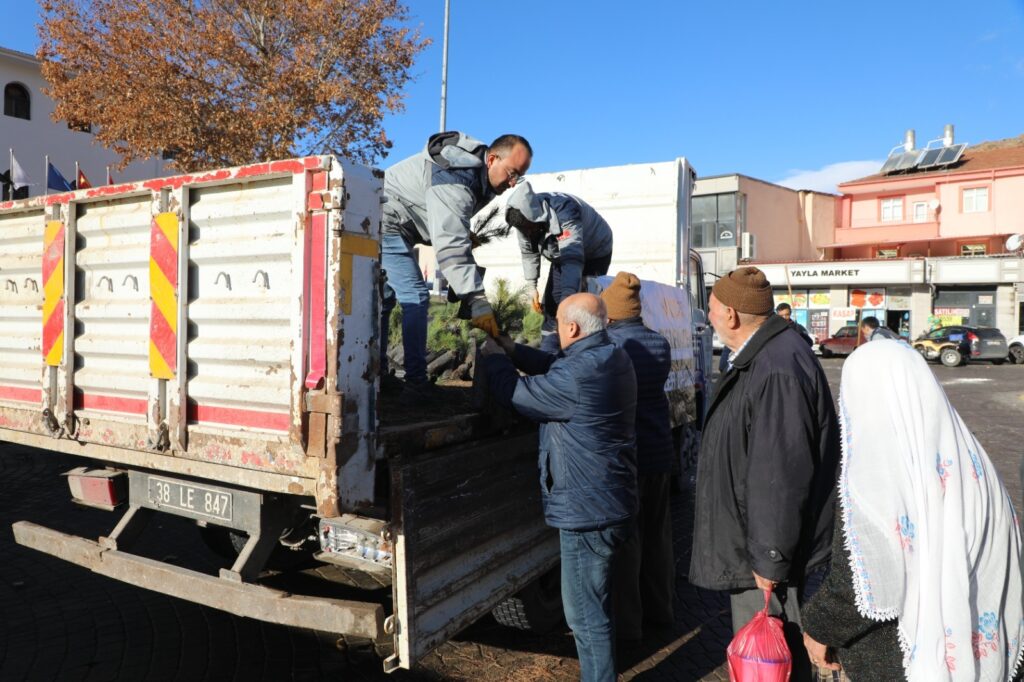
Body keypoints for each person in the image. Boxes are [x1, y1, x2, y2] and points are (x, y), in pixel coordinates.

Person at [801, 339, 1023, 681]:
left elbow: (862, 579)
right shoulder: (970, 459)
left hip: (896, 660)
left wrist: (818, 628)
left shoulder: (874, 476)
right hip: (975, 652)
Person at [689, 267, 840, 682]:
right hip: (760, 548)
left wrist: (771, 558)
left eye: (712, 306)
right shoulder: (766, 356)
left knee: (773, 662)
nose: (709, 314)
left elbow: (781, 473)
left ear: (732, 315)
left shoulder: (776, 367)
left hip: (769, 559)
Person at [480, 293, 637, 682]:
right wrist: (514, 350)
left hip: (588, 513)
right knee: (595, 606)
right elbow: (554, 365)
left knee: (584, 616)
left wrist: (493, 357)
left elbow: (517, 395)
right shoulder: (611, 356)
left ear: (572, 328)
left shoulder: (578, 375)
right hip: (608, 501)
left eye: (557, 324)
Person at [381, 132, 532, 400]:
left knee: (385, 299)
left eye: (518, 177)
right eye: (511, 173)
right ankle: (415, 383)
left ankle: (378, 376)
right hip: (385, 219)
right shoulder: (457, 174)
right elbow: (450, 247)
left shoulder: (478, 177)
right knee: (415, 295)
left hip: (398, 220)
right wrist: (476, 299)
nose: (512, 183)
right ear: (492, 158)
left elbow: (447, 220)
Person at [599, 273, 675, 641]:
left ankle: (629, 627)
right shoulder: (659, 344)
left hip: (629, 459)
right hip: (660, 452)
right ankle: (662, 611)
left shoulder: (612, 347)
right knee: (658, 538)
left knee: (628, 545)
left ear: (610, 314)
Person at [505, 181, 613, 353]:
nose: (528, 233)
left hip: (594, 251)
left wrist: (568, 300)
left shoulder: (566, 211)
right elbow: (528, 253)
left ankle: (582, 353)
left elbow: (572, 259)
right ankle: (549, 354)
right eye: (524, 230)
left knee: (583, 305)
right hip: (561, 254)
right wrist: (532, 286)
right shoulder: (523, 222)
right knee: (552, 304)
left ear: (536, 216)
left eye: (530, 228)